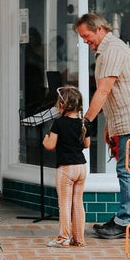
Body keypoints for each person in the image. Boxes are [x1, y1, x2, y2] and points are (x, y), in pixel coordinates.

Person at [75, 12, 130, 240]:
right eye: (82, 37)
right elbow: (113, 93)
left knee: (126, 170)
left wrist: (87, 121)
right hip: (125, 119)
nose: (85, 40)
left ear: (100, 29)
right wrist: (108, 125)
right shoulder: (106, 49)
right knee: (126, 170)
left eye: (87, 35)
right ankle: (124, 217)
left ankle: (125, 222)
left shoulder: (112, 50)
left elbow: (104, 90)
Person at [42, 85, 90, 248]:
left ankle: (63, 237)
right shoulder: (83, 123)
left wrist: (45, 139)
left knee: (64, 203)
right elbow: (87, 144)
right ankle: (79, 238)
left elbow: (50, 145)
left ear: (62, 105)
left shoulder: (58, 123)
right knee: (78, 202)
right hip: (81, 168)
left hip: (66, 168)